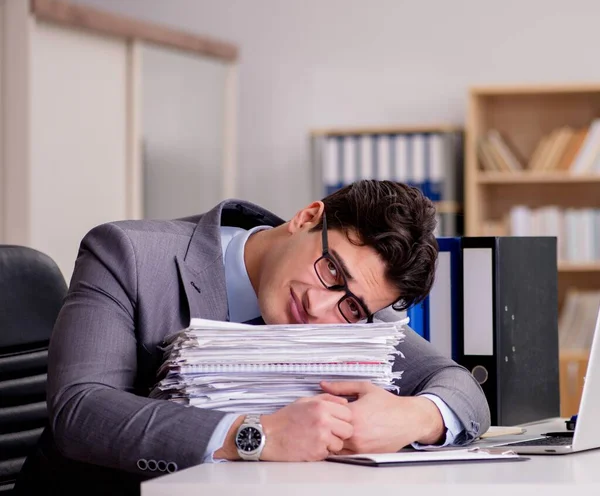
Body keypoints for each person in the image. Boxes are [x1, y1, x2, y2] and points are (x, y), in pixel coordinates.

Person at [17, 180, 490, 494]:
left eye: (351, 307)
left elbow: (459, 386)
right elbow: (80, 408)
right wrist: (254, 436)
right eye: (330, 271)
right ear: (306, 218)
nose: (320, 309)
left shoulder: (349, 316)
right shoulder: (129, 255)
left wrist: (414, 418)